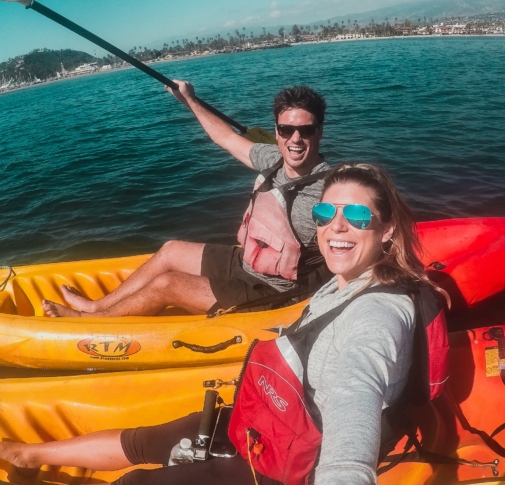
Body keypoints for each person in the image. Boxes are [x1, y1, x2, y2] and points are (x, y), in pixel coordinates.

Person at [0, 163, 444, 485]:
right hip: (263, 421)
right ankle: (28, 455)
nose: (336, 225)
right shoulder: (345, 280)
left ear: (387, 229)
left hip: (280, 471)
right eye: (325, 212)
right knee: (147, 439)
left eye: (356, 215)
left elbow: (352, 413)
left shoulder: (377, 316)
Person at [43, 79, 332, 318]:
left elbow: (357, 240)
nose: (295, 139)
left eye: (305, 130)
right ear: (277, 132)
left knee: (167, 284)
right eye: (286, 129)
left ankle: (91, 320)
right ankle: (96, 305)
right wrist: (189, 101)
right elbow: (226, 138)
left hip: (272, 292)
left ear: (319, 131)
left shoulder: (331, 191)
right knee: (171, 250)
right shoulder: (272, 158)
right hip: (245, 263)